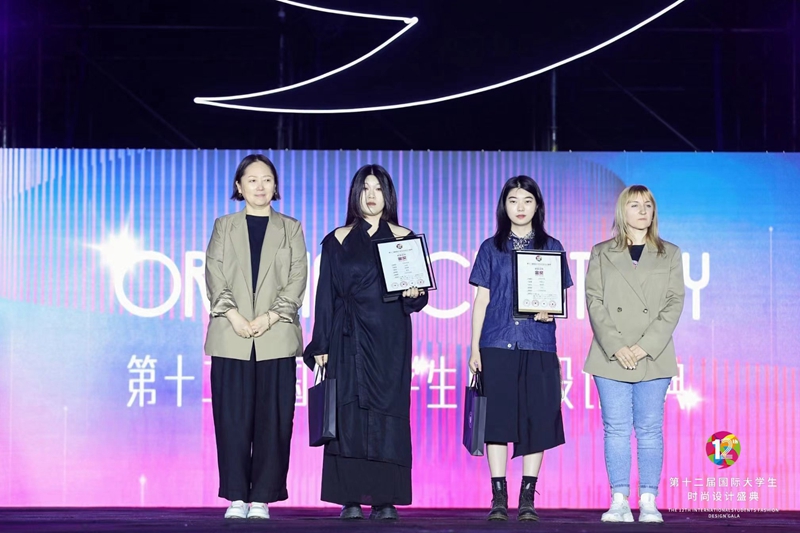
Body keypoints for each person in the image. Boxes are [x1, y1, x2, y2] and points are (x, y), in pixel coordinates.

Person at [303, 164, 428, 520]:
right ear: (355, 194)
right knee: (349, 414)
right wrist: (321, 344)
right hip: (347, 338)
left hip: (390, 340)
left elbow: (417, 298)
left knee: (388, 412)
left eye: (378, 189)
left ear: (388, 195)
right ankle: (350, 498)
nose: (371, 196)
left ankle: (385, 498)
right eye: (365, 188)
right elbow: (325, 296)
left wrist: (415, 293)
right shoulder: (338, 239)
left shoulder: (404, 237)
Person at [204, 154, 308, 519]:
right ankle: (236, 496)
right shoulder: (224, 226)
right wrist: (233, 315)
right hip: (231, 335)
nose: (260, 186)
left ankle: (262, 496)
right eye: (252, 180)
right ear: (239, 186)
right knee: (231, 419)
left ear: (275, 186)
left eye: (266, 180)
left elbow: (297, 278)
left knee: (273, 420)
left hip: (275, 335)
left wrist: (269, 317)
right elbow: (214, 274)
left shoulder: (291, 228)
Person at [468, 176, 572, 522]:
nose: (521, 207)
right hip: (496, 342)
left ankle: (528, 497)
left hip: (537, 343)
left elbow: (558, 297)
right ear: (504, 206)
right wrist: (474, 348)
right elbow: (481, 300)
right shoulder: (490, 247)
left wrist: (550, 309)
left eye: (527, 200)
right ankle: (499, 496)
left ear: (537, 205)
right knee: (496, 422)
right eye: (513, 200)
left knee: (537, 420)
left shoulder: (552, 246)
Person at [584, 184, 685, 523]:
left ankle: (649, 500)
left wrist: (644, 347)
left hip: (653, 354)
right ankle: (619, 500)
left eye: (648, 205)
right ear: (621, 211)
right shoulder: (602, 252)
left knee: (650, 429)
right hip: (610, 354)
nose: (642, 211)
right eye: (634, 205)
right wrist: (617, 346)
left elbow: (674, 303)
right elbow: (594, 302)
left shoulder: (670, 253)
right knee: (615, 428)